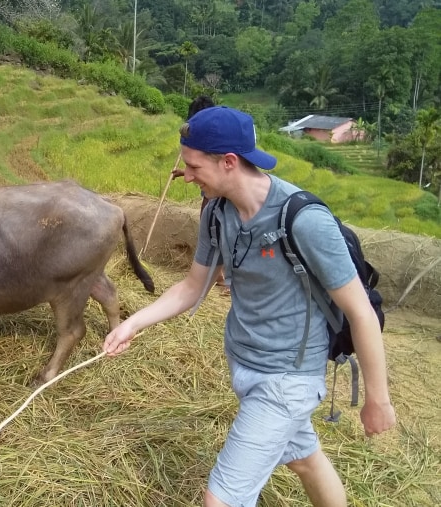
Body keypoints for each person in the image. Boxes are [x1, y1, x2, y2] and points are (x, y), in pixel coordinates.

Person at [104, 106, 395, 506]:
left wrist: (377, 400)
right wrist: (132, 324)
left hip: (286, 380)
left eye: (193, 166)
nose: (185, 176)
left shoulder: (304, 220)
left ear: (228, 162)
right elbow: (192, 286)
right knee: (305, 460)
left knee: (220, 499)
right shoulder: (217, 213)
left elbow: (360, 311)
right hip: (244, 362)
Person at [172, 95, 229, 294]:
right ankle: (216, 275)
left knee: (221, 231)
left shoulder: (218, 142)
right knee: (210, 227)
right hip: (210, 193)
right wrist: (184, 171)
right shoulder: (197, 139)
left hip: (219, 194)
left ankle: (222, 277)